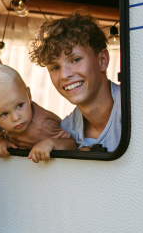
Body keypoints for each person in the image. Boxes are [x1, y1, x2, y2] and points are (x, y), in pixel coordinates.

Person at [28, 11, 121, 152]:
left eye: (76, 59)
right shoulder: (65, 131)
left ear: (103, 60)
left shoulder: (137, 109)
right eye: (55, 67)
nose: (64, 75)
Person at [0, 64, 76, 163]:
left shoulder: (42, 126)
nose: (15, 118)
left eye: (19, 105)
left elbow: (73, 145)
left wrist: (50, 143)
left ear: (28, 95)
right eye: (4, 114)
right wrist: (1, 140)